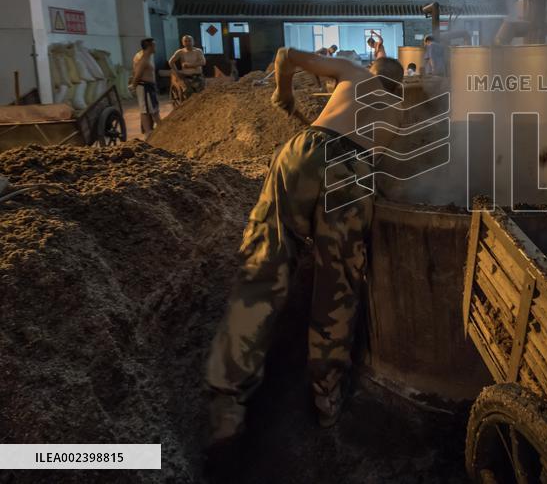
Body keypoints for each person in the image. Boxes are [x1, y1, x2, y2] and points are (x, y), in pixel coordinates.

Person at [205, 48, 404, 453]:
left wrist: (284, 94)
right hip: (355, 171)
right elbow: (383, 174)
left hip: (305, 150)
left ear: (372, 70)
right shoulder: (396, 112)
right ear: (398, 86)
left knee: (263, 265)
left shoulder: (351, 71)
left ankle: (227, 399)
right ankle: (326, 396)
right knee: (338, 288)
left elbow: (285, 56)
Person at [129, 38, 161, 135]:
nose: (155, 47)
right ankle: (148, 132)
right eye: (154, 45)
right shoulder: (143, 59)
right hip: (144, 87)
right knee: (146, 110)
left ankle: (160, 127)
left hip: (149, 87)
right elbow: (137, 74)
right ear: (149, 47)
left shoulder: (146, 56)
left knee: (152, 108)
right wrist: (133, 87)